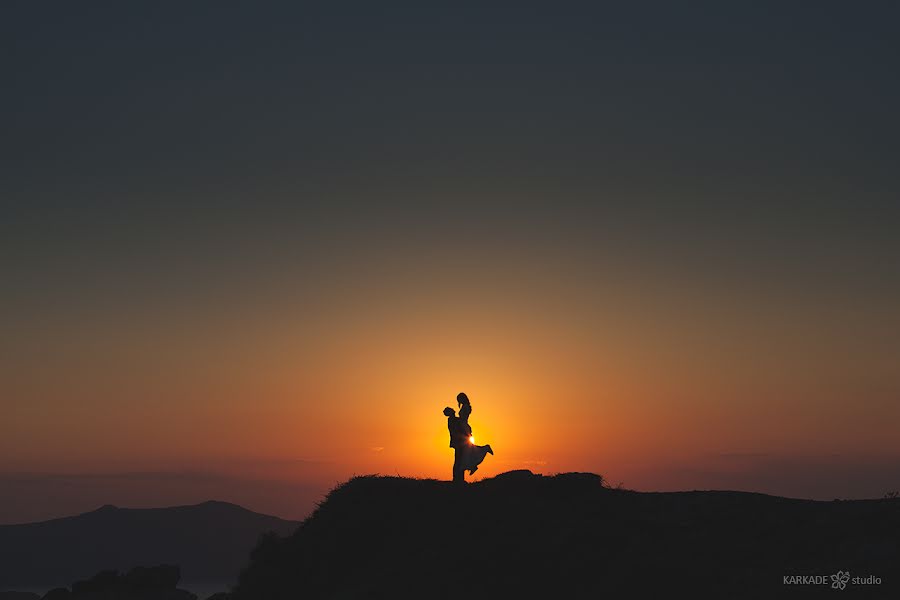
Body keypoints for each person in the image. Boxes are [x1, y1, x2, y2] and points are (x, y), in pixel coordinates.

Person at [455, 392, 493, 476]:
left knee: (468, 450)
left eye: (459, 399)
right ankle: (472, 466)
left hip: (464, 427)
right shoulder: (465, 406)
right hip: (463, 427)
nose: (459, 401)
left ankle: (485, 449)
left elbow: (463, 418)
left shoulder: (466, 407)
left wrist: (456, 419)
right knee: (468, 450)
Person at [444, 406, 468, 483]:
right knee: (459, 461)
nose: (454, 411)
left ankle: (458, 478)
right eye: (451, 411)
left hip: (459, 442)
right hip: (459, 442)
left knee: (459, 460)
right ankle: (458, 479)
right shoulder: (453, 420)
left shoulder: (454, 420)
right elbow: (458, 430)